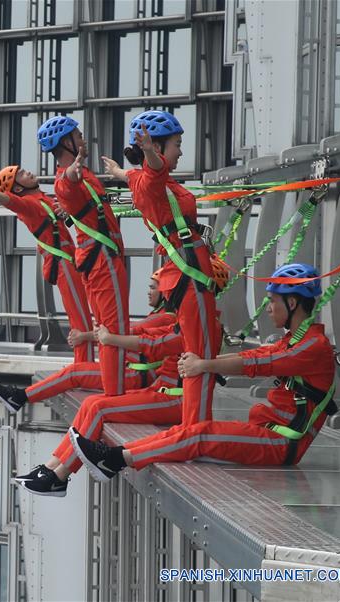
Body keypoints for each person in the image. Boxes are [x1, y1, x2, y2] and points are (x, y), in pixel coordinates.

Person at [69, 263, 337, 482]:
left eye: (272, 301)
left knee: (198, 435)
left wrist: (204, 365)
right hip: (266, 431)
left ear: (292, 303)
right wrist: (206, 363)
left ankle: (114, 460)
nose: (268, 308)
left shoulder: (313, 346)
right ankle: (113, 455)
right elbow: (256, 356)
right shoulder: (296, 339)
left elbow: (257, 363)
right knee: (190, 431)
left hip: (281, 443)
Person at [101, 110, 223, 426]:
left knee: (199, 351)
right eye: (176, 144)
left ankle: (195, 425)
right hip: (189, 274)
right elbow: (152, 172)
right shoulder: (153, 181)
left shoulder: (147, 180)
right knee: (200, 354)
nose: (181, 151)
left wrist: (117, 172)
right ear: (158, 147)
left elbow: (136, 176)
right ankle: (195, 427)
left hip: (185, 273)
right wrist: (150, 153)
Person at [12, 275, 185, 496]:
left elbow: (151, 341)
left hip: (171, 398)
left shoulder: (184, 324)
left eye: (159, 288)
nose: (153, 291)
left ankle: (60, 475)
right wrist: (107, 333)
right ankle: (50, 467)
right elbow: (148, 335)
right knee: (92, 402)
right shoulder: (181, 322)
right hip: (159, 390)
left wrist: (107, 337)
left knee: (97, 406)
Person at [0, 269, 175, 413]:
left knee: (74, 374)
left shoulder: (164, 318)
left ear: (165, 292)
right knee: (75, 373)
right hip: (130, 371)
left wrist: (83, 336)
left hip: (133, 376)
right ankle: (20, 396)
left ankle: (20, 397)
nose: (149, 292)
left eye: (153, 287)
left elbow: (119, 333)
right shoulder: (159, 316)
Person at [39, 115, 130, 396]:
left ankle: (109, 389)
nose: (83, 138)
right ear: (65, 143)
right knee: (115, 330)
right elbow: (65, 185)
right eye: (77, 135)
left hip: (96, 260)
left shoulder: (86, 175)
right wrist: (71, 173)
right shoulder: (69, 178)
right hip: (102, 260)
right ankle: (114, 396)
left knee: (107, 329)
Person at [0, 166, 94, 364]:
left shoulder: (44, 198)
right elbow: (12, 202)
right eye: (22, 174)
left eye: (24, 170)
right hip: (64, 264)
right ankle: (84, 367)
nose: (28, 172)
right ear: (19, 188)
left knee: (85, 316)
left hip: (73, 260)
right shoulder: (28, 204)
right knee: (80, 319)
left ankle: (86, 365)